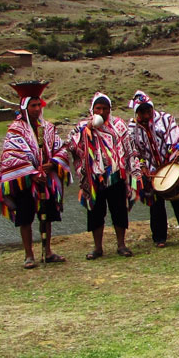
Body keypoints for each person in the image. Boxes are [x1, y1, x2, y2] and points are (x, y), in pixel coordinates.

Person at [0, 81, 70, 269]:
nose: (37, 109)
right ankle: (29, 254)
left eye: (39, 105)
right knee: (25, 217)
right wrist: (32, 173)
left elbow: (60, 148)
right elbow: (13, 154)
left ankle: (48, 250)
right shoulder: (16, 129)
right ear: (25, 108)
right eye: (33, 106)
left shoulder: (49, 128)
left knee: (47, 214)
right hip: (26, 182)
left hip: (46, 178)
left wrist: (52, 164)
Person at [69, 92, 141, 260]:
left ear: (110, 109)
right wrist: (86, 130)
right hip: (95, 178)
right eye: (98, 108)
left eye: (105, 108)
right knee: (95, 212)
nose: (101, 112)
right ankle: (97, 247)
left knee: (119, 211)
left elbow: (129, 149)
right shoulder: (83, 126)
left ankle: (121, 244)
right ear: (92, 109)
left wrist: (134, 173)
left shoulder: (119, 126)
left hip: (116, 176)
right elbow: (72, 145)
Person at [128, 90, 179, 248]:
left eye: (148, 111)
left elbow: (178, 139)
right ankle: (159, 237)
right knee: (155, 205)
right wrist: (142, 166)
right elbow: (134, 151)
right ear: (137, 112)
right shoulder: (132, 128)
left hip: (170, 164)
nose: (146, 115)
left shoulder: (165, 119)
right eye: (142, 112)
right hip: (151, 169)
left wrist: (177, 153)